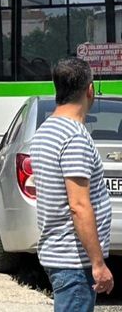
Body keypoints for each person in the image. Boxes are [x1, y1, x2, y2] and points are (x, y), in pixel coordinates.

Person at [30, 58, 113, 311]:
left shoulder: (45, 131)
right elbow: (78, 205)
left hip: (58, 252)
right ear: (90, 90)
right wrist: (98, 264)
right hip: (74, 260)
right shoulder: (74, 137)